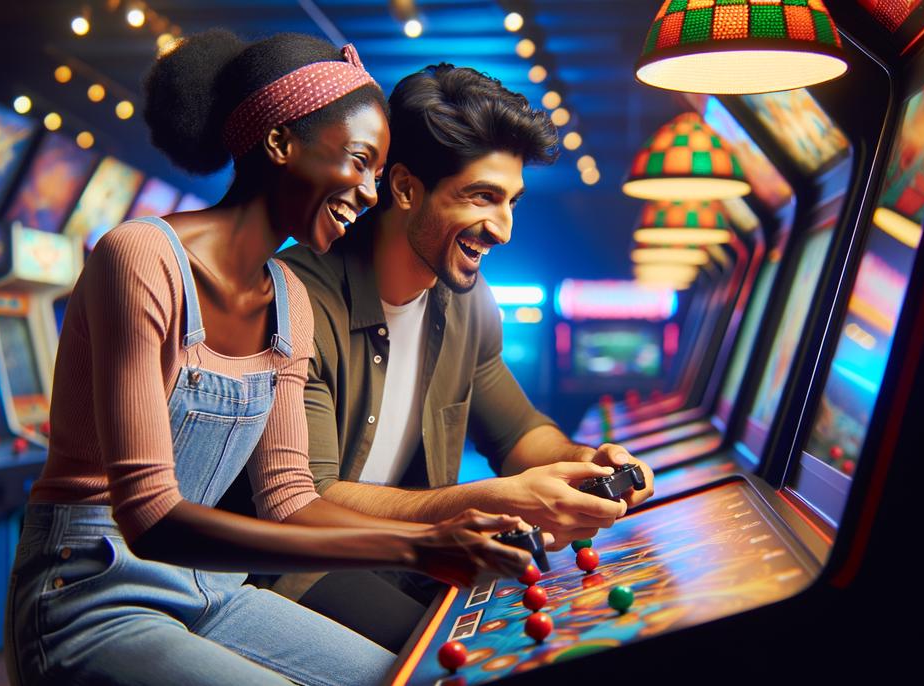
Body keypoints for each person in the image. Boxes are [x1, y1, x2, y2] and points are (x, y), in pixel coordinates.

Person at [4, 32, 531, 686]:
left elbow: (289, 500)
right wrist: (418, 543)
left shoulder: (289, 300)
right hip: (88, 591)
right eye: (361, 160)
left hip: (211, 591)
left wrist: (444, 538)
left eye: (376, 172)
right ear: (280, 144)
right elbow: (151, 518)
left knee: (425, 678)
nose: (370, 192)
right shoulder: (140, 256)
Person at [270, 64, 656, 649]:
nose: (502, 228)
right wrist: (495, 497)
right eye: (483, 197)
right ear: (403, 188)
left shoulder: (468, 301)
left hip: (414, 562)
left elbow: (518, 433)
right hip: (301, 570)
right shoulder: (298, 298)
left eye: (512, 202)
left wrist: (588, 463)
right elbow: (310, 497)